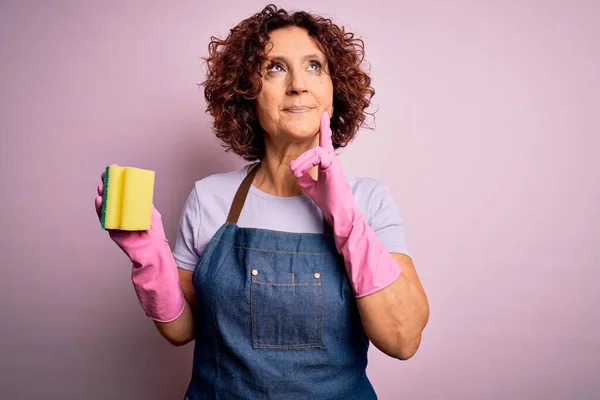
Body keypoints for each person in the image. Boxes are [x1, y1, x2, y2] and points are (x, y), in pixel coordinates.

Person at [95, 4, 429, 399]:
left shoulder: (369, 200)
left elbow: (402, 339)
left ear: (334, 91)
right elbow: (181, 331)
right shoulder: (210, 198)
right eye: (275, 68)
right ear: (247, 94)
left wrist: (346, 219)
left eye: (314, 66)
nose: (298, 85)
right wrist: (147, 253)